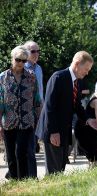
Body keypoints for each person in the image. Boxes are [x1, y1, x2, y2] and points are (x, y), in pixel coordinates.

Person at [36, 51, 93, 174]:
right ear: (77, 64)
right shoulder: (58, 77)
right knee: (54, 172)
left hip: (64, 130)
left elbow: (77, 105)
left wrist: (89, 120)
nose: (87, 72)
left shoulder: (77, 81)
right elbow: (50, 107)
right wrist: (53, 132)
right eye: (86, 69)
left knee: (60, 169)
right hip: (53, 130)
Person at [0, 46, 41, 180]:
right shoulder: (3, 77)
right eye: (18, 60)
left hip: (27, 121)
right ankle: (14, 180)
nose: (21, 64)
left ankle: (23, 181)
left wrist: (38, 120)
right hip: (9, 122)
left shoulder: (31, 77)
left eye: (24, 61)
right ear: (12, 59)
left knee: (21, 153)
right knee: (11, 155)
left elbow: (37, 100)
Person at [24, 40, 43, 178]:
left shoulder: (39, 68)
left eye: (38, 51)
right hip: (25, 111)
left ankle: (13, 173)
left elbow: (40, 90)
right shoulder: (21, 67)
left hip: (38, 109)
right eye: (33, 51)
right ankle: (31, 175)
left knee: (33, 143)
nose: (36, 54)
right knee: (29, 144)